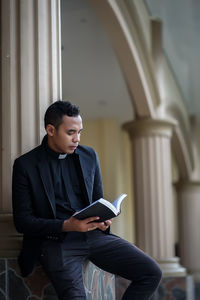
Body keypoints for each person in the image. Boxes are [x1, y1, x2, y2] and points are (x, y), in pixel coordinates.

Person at [12, 100, 162, 300]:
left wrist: (104, 217)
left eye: (80, 132)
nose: (77, 139)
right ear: (50, 130)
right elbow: (23, 222)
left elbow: (97, 201)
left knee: (151, 272)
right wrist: (67, 225)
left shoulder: (89, 156)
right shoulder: (25, 165)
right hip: (56, 243)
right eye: (71, 132)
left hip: (95, 237)